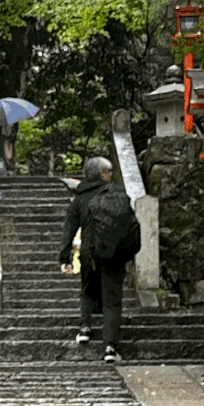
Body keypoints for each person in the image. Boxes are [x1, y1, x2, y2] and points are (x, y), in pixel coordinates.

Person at [59, 155, 141, 361]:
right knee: (112, 301)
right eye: (109, 171)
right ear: (103, 174)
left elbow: (68, 229)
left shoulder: (80, 198)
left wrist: (64, 258)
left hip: (88, 253)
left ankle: (85, 328)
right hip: (113, 254)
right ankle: (110, 348)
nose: (111, 175)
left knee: (87, 291)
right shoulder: (117, 193)